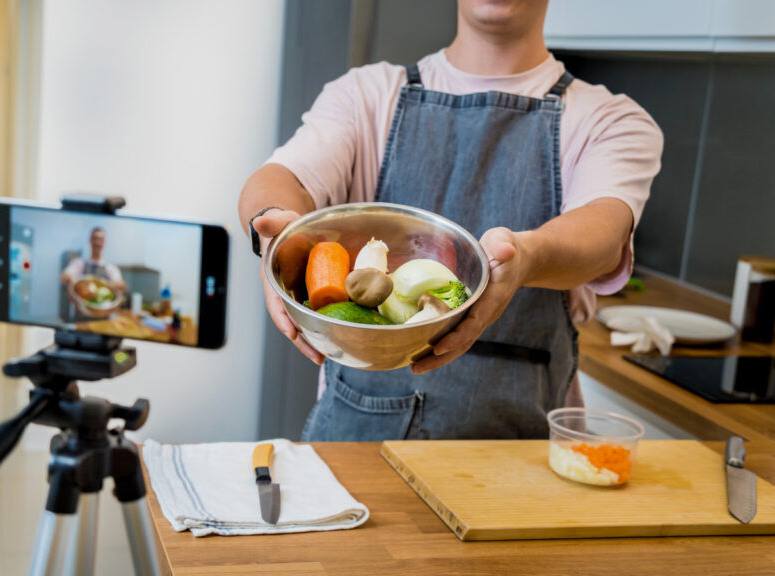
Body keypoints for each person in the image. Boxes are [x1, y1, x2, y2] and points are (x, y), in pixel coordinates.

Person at [239, 0, 662, 441]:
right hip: (357, 439)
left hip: (517, 450)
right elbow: (278, 178)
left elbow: (603, 234)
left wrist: (527, 258)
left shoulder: (612, 120)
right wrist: (275, 229)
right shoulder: (366, 94)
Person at [60, 227, 127, 292]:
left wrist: (106, 286)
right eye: (95, 238)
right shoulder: (79, 263)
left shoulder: (110, 268)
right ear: (90, 240)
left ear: (104, 242)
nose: (97, 242)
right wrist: (75, 283)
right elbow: (65, 276)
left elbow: (120, 284)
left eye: (101, 239)